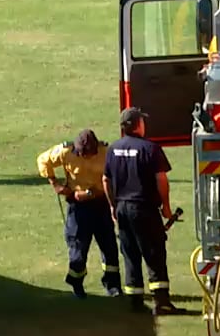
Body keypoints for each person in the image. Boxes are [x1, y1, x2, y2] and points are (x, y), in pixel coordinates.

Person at [105, 107, 179, 315]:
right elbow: (161, 179)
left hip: (122, 208)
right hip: (144, 209)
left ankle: (135, 302)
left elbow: (106, 179)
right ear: (138, 124)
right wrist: (165, 206)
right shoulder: (150, 148)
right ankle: (161, 302)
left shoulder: (113, 149)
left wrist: (113, 205)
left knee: (130, 255)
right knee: (154, 253)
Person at [39, 129, 122, 299]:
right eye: (81, 153)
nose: (84, 156)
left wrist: (94, 194)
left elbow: (115, 177)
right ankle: (76, 283)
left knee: (109, 247)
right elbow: (43, 160)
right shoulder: (66, 151)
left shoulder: (107, 152)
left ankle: (112, 285)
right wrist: (54, 183)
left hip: (101, 204)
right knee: (77, 248)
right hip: (78, 208)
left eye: (88, 153)